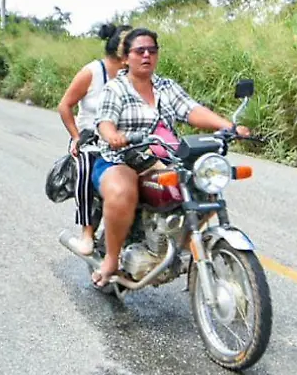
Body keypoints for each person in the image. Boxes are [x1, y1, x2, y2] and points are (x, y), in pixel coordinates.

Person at [92, 27, 250, 287]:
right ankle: (111, 259)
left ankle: (176, 242)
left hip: (161, 158)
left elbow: (191, 110)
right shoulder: (115, 89)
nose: (146, 55)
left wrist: (227, 127)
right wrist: (112, 135)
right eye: (139, 51)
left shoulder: (166, 86)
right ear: (126, 57)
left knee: (203, 185)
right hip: (122, 158)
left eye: (152, 50)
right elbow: (105, 121)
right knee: (122, 191)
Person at [55, 22, 126, 255]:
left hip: (124, 137)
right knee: (87, 163)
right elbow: (65, 106)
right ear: (121, 50)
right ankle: (86, 233)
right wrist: (76, 137)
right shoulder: (92, 72)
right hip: (91, 138)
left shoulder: (133, 74)